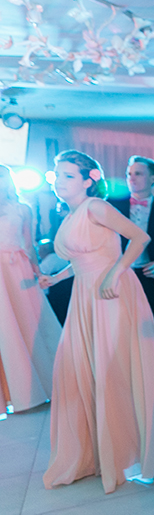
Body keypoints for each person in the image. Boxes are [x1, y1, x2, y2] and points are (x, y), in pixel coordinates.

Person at [40, 151, 154, 493]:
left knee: (114, 368)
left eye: (68, 175)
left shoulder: (96, 207)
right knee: (81, 366)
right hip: (84, 295)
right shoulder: (71, 213)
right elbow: (84, 259)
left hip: (111, 294)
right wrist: (56, 277)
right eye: (57, 175)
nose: (59, 181)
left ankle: (135, 451)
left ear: (89, 181)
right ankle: (97, 453)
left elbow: (140, 238)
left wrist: (115, 273)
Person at [0, 164, 61, 414]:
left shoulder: (22, 208)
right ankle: (11, 394)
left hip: (17, 270)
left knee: (30, 324)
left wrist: (38, 273)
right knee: (5, 330)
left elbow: (30, 244)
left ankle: (42, 387)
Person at [107, 156, 154, 349]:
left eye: (138, 174)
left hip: (152, 279)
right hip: (119, 276)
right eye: (129, 174)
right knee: (119, 336)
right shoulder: (111, 206)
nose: (131, 178)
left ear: (153, 178)